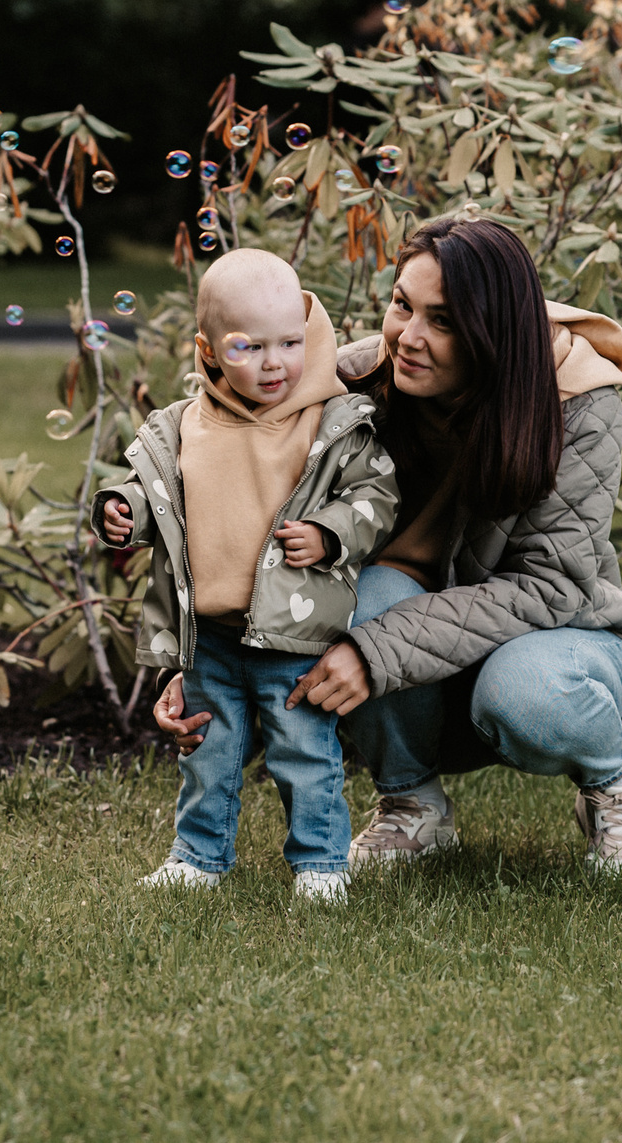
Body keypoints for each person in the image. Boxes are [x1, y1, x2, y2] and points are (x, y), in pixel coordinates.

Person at [152, 216, 622, 876]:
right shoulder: (353, 384)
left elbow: (551, 586)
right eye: (402, 305)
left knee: (525, 692)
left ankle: (614, 783)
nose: (409, 337)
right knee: (352, 596)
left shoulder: (575, 400)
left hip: (558, 640)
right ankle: (412, 804)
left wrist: (376, 651)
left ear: (492, 332)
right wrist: (194, 660)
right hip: (417, 649)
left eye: (443, 320)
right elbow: (248, 522)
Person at [97, 250, 401, 902]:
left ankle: (320, 864)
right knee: (209, 748)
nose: (274, 362)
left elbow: (375, 499)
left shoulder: (327, 419)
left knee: (304, 750)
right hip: (210, 631)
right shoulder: (182, 426)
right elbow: (157, 496)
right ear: (208, 349)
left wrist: (329, 534)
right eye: (250, 346)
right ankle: (199, 856)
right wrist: (124, 511)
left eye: (290, 342)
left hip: (294, 629)